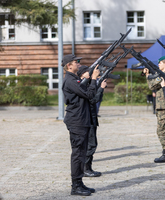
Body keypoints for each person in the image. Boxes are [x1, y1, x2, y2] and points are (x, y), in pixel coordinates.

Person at [62, 54, 100, 196]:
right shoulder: (70, 81)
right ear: (68, 66)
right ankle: (75, 186)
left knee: (81, 153)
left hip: (81, 120)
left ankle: (79, 182)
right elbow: (89, 95)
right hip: (77, 121)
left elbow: (88, 95)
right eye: (75, 62)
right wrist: (94, 78)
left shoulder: (75, 79)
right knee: (78, 154)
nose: (78, 64)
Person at [143, 56, 165, 162]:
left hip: (163, 106)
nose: (159, 64)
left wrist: (147, 75)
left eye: (160, 63)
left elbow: (152, 86)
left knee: (161, 130)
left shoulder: (164, 76)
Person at [77, 66, 106, 178]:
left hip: (91, 118)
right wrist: (101, 88)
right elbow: (93, 100)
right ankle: (85, 169)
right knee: (91, 144)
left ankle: (87, 168)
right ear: (81, 75)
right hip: (88, 119)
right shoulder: (82, 86)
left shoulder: (87, 84)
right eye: (86, 72)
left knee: (91, 144)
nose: (89, 73)